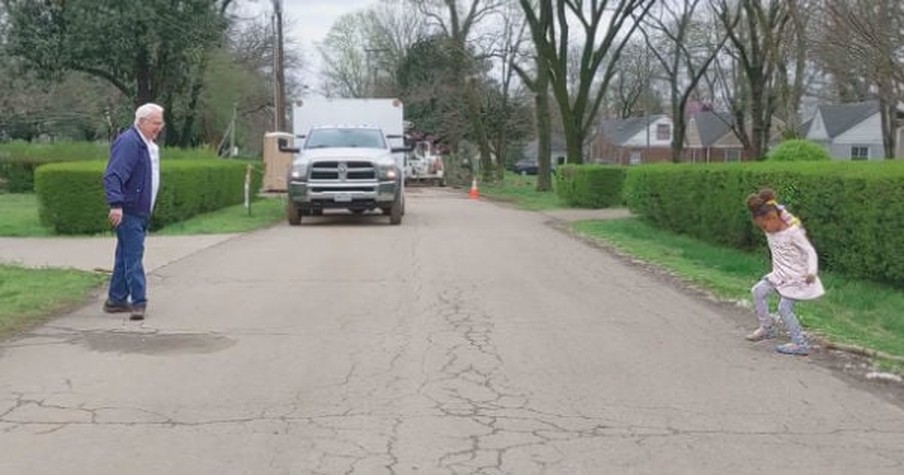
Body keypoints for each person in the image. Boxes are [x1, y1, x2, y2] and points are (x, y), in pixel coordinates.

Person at [101, 103, 164, 321]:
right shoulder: (129, 142)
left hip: (139, 210)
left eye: (160, 123)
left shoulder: (146, 144)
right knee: (133, 257)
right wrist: (116, 204)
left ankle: (116, 300)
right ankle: (139, 302)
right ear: (142, 122)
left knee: (124, 255)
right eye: (156, 123)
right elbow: (113, 175)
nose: (160, 127)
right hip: (129, 210)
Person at [744, 194, 824, 355]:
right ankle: (767, 328)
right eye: (762, 228)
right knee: (758, 291)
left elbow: (810, 251)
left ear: (774, 218)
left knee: (784, 308)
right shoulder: (770, 229)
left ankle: (800, 344)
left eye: (765, 226)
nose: (765, 230)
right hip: (779, 275)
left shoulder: (793, 232)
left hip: (797, 278)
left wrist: (812, 272)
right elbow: (772, 208)